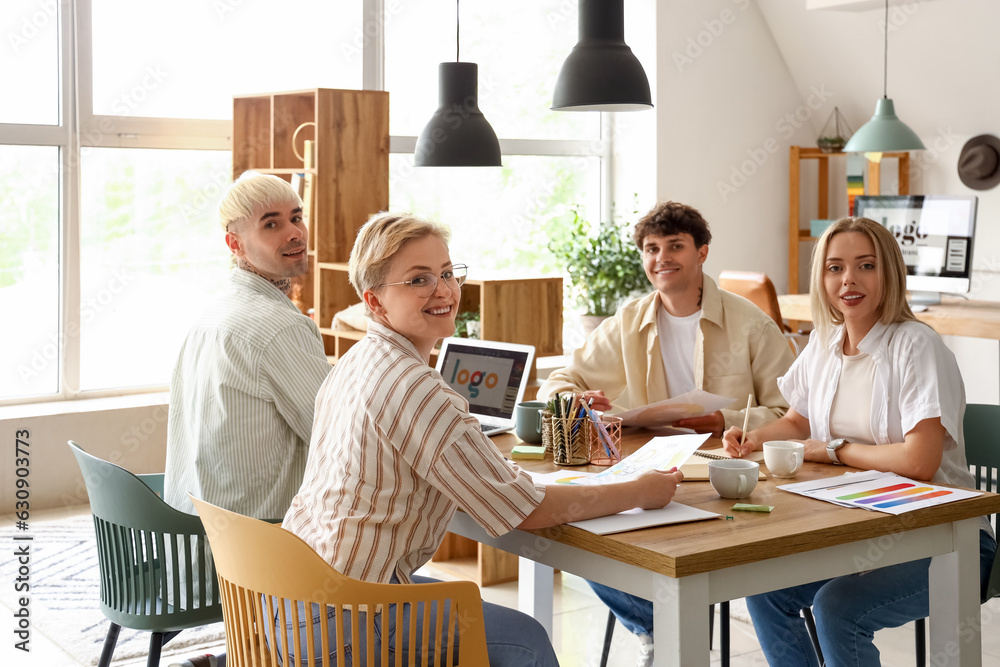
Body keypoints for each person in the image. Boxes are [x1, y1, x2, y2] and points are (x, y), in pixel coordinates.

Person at [281, 212, 685, 667]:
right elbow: (527, 511)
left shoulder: (356, 360)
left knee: (473, 603)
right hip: (350, 620)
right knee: (526, 639)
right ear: (375, 302)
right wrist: (640, 491)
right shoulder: (418, 389)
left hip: (295, 596)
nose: (444, 291)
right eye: (419, 280)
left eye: (448, 274)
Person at [721, 216, 997, 667]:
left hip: (947, 539)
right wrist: (753, 439)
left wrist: (835, 450)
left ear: (888, 271)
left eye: (865, 265)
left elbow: (920, 461)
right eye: (835, 268)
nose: (848, 279)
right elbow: (797, 421)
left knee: (837, 608)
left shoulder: (916, 346)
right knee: (766, 590)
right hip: (861, 526)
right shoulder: (825, 343)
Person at [538, 201, 796, 666]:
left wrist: (724, 421)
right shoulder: (629, 321)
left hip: (724, 473)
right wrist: (580, 402)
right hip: (654, 466)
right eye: (652, 249)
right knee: (581, 528)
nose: (662, 258)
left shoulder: (750, 323)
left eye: (675, 246)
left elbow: (796, 413)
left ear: (702, 253)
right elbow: (560, 380)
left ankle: (673, 629)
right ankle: (663, 628)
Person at [164, 171, 332, 519]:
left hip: (198, 544)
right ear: (235, 244)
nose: (295, 233)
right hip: (259, 554)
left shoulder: (208, 318)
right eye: (271, 225)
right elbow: (338, 436)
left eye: (296, 217)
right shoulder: (281, 329)